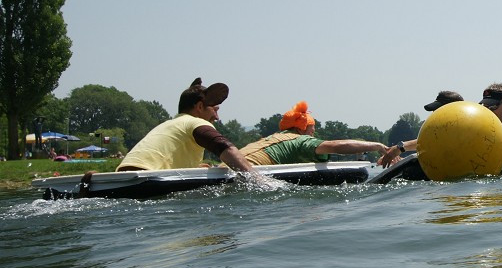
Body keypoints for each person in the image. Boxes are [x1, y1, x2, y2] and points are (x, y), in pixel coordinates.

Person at [117, 78, 254, 172]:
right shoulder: (195, 122)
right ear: (200, 106)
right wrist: (260, 181)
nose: (217, 117)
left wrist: (193, 168)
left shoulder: (168, 125)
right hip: (146, 179)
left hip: (120, 177)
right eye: (215, 110)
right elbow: (225, 148)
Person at [240, 101, 389, 165]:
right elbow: (335, 146)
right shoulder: (299, 140)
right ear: (301, 129)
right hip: (246, 172)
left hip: (226, 166)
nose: (314, 131)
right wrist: (377, 146)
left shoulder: (270, 138)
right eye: (312, 127)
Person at [377, 90, 464, 167]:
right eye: (434, 111)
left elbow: (435, 140)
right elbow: (431, 141)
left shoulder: (462, 127)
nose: (434, 113)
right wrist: (394, 153)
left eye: (438, 110)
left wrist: (400, 148)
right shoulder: (438, 130)